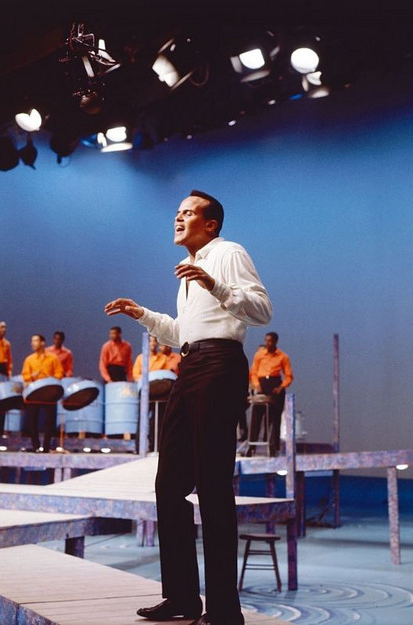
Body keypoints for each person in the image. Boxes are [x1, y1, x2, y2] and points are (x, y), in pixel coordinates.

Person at [105, 189, 272, 625]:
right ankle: (181, 597)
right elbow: (184, 333)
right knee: (169, 484)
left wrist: (216, 284)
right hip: (192, 364)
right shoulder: (187, 273)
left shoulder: (228, 253)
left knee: (214, 486)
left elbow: (262, 310)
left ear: (210, 223)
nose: (177, 218)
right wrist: (143, 314)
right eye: (176, 212)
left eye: (187, 213)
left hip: (219, 367)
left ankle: (223, 610)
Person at [248, 331, 294, 456]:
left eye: (270, 341)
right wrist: (257, 386)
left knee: (275, 417)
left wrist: (281, 387)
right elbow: (253, 373)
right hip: (262, 383)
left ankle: (274, 446)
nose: (268, 343)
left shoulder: (283, 357)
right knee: (256, 416)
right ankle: (251, 446)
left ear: (275, 342)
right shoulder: (259, 355)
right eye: (266, 341)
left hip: (275, 384)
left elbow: (289, 376)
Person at [22, 334, 64, 452]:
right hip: (34, 393)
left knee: (50, 420)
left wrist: (49, 379)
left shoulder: (52, 358)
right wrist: (32, 376)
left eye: (35, 341)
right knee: (32, 420)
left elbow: (59, 374)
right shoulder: (29, 359)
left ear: (42, 343)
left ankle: (46, 446)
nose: (32, 343)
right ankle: (35, 446)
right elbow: (25, 377)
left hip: (49, 393)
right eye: (32, 341)